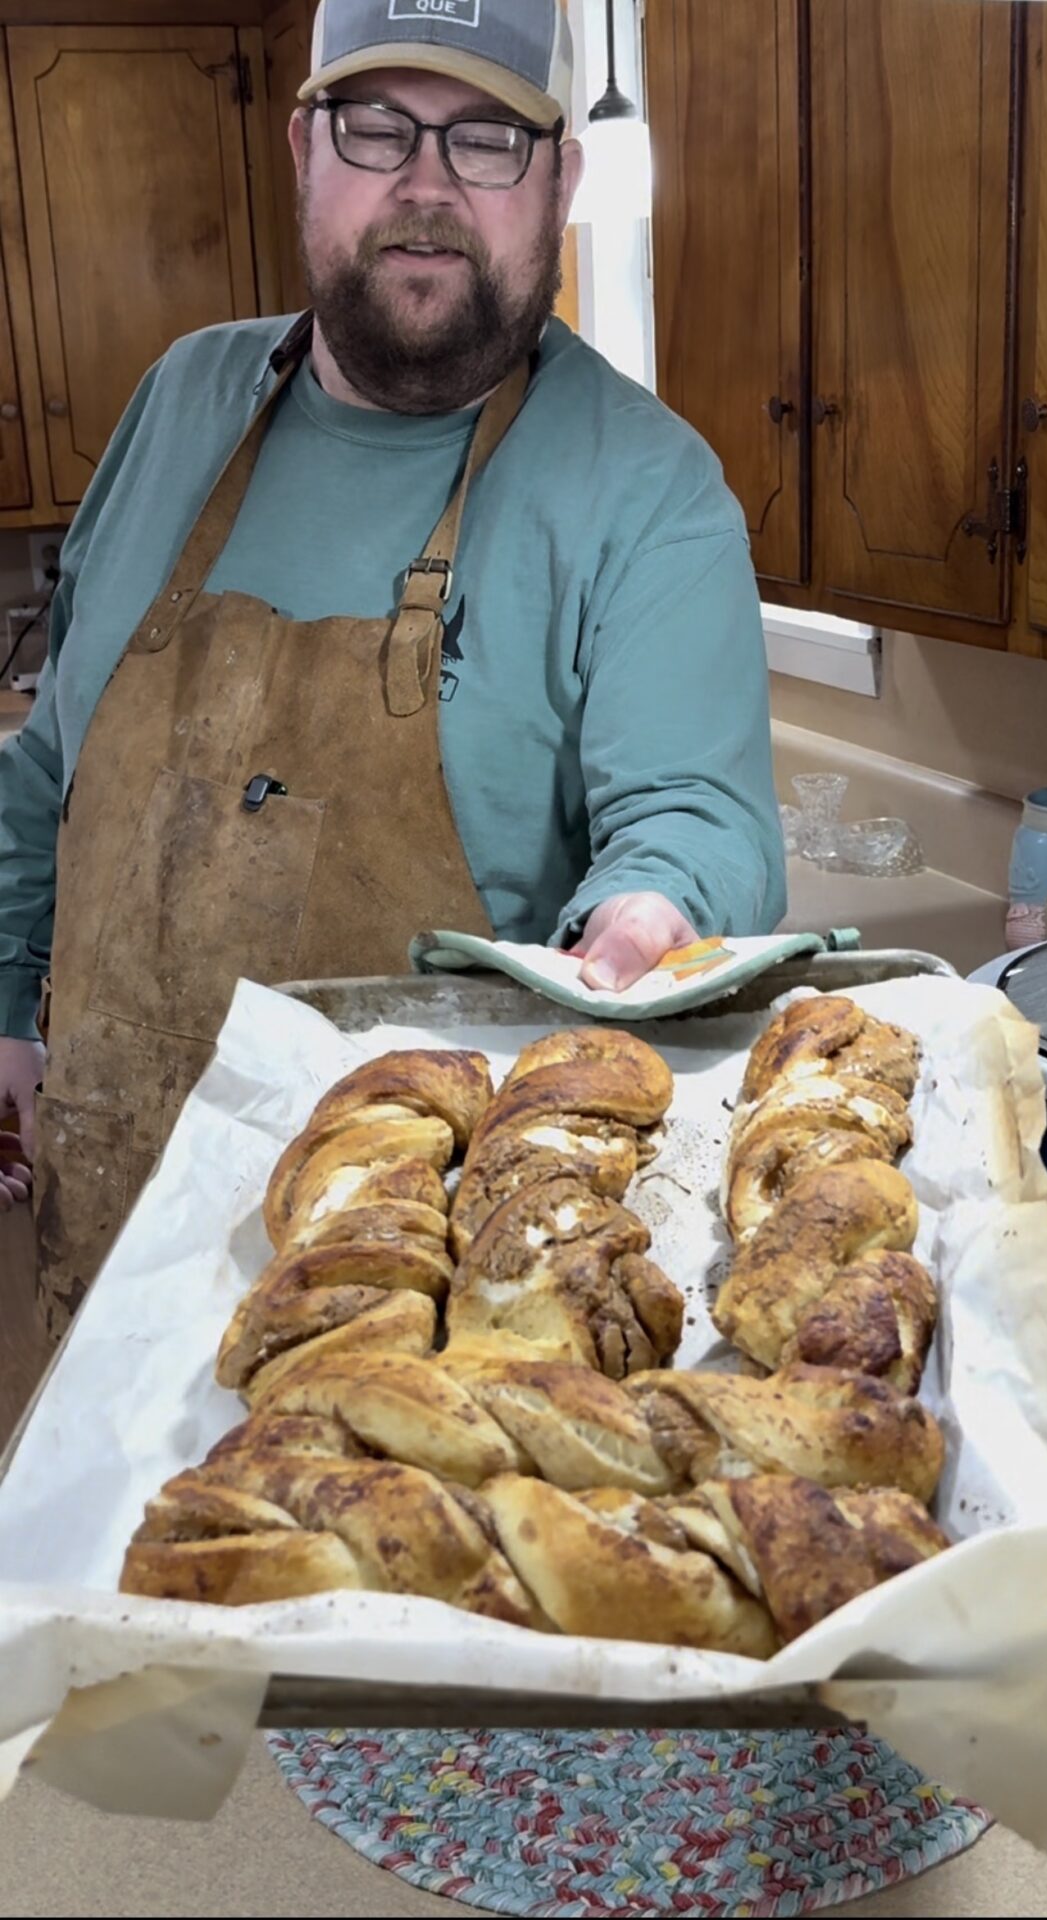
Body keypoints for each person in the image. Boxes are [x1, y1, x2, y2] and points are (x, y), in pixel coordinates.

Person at [0, 0, 784, 1336]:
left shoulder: (646, 486)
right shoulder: (180, 399)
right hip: (111, 1246)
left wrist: (648, 916)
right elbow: (49, 766)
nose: (425, 186)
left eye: (485, 138)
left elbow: (694, 817)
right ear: (305, 148)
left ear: (559, 174)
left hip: (437, 1290)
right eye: (377, 128)